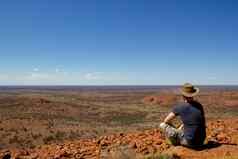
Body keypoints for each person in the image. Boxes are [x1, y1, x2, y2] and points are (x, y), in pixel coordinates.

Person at [160, 83, 206, 148]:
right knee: (183, 126)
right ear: (193, 94)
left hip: (189, 143)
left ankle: (176, 144)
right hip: (201, 141)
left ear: (183, 95)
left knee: (162, 125)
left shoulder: (180, 107)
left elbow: (166, 121)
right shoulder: (199, 106)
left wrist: (175, 128)